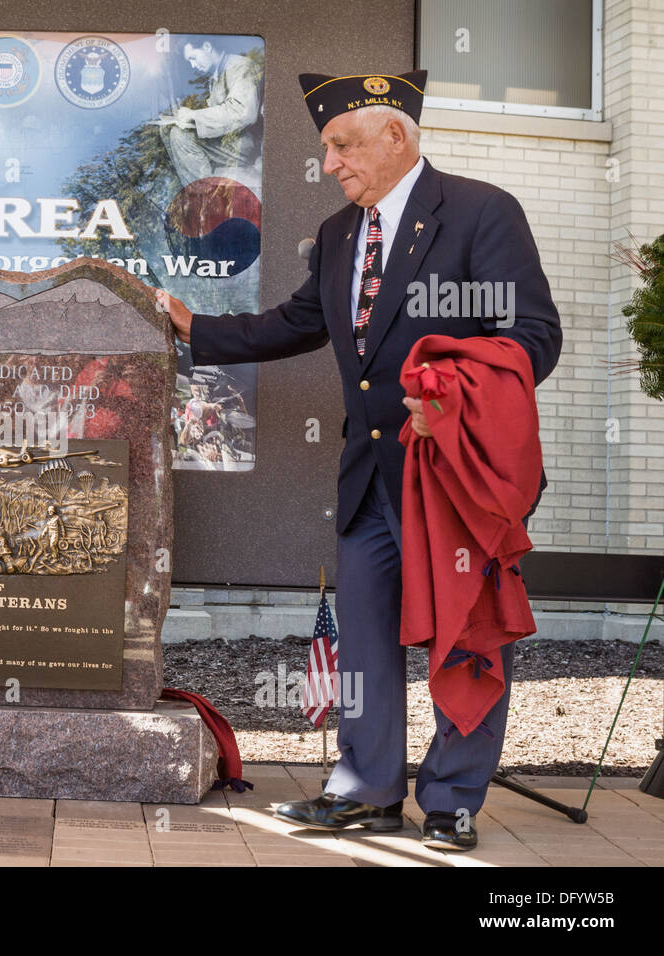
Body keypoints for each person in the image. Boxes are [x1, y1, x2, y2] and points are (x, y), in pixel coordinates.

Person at [164, 70, 561, 851]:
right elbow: (298, 322)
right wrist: (194, 329)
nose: (331, 163)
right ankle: (367, 790)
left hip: (452, 475)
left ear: (397, 138)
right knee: (368, 639)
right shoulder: (344, 232)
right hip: (369, 474)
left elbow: (531, 338)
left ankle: (451, 799)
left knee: (466, 632)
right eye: (325, 150)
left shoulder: (483, 212)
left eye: (343, 146)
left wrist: (451, 393)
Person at [158, 40, 263, 191]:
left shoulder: (239, 66)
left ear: (207, 46)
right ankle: (195, 192)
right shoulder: (217, 74)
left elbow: (242, 112)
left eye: (193, 58)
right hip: (231, 140)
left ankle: (204, 199)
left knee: (180, 136)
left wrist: (194, 115)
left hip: (246, 145)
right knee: (167, 130)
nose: (193, 65)